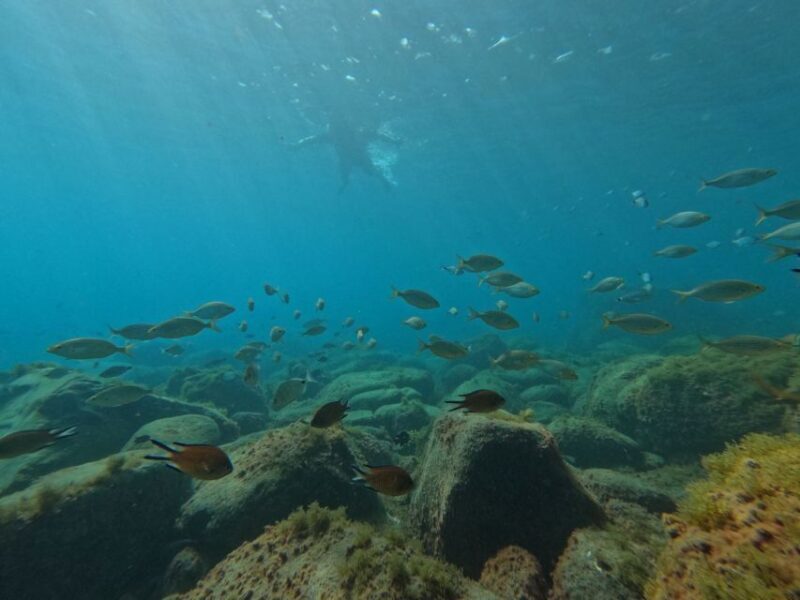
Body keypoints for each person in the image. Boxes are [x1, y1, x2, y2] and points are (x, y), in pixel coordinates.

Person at [291, 115, 401, 192]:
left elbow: (310, 140)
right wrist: (394, 141)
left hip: (356, 157)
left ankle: (383, 182)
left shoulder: (333, 134)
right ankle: (348, 184)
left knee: (369, 172)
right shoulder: (332, 134)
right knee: (354, 174)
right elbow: (377, 135)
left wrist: (296, 146)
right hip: (353, 158)